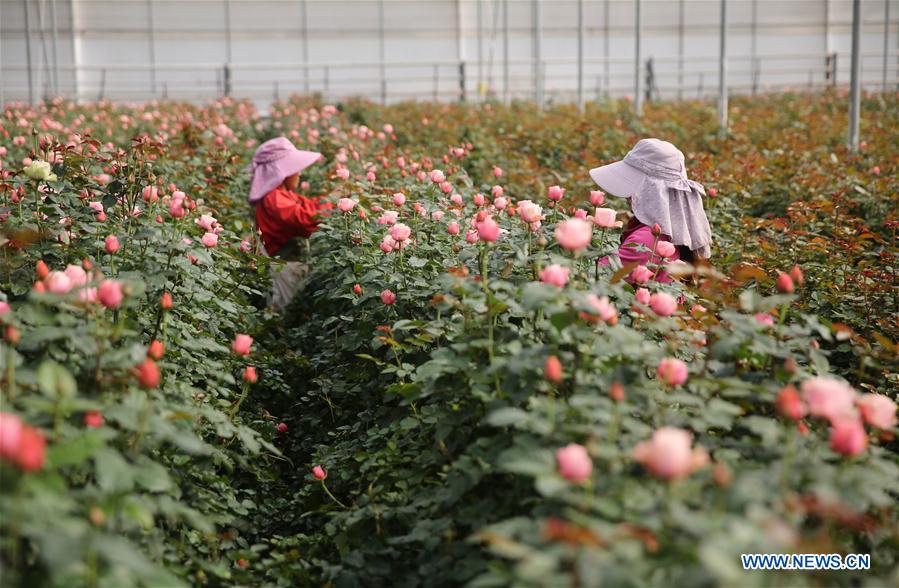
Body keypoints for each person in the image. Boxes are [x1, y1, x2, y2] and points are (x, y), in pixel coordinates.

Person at [589, 138, 712, 282]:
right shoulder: (670, 233)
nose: (627, 196)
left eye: (633, 183)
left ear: (652, 190)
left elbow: (590, 276)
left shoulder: (647, 241)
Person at [248, 137, 333, 309]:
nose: (300, 173)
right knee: (283, 311)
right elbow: (303, 219)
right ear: (281, 172)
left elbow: (309, 205)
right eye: (295, 168)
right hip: (283, 269)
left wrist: (333, 199)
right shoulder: (274, 198)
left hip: (290, 266)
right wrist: (334, 202)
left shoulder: (284, 194)